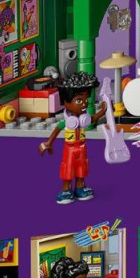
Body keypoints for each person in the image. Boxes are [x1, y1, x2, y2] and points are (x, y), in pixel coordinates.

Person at [39, 72, 107, 204]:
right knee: (68, 168)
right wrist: (48, 143)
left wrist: (102, 111)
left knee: (82, 167)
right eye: (79, 101)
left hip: (82, 148)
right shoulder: (67, 122)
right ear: (66, 102)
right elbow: (57, 129)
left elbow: (93, 118)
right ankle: (66, 189)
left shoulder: (83, 119)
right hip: (69, 149)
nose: (84, 104)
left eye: (86, 100)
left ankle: (80, 187)